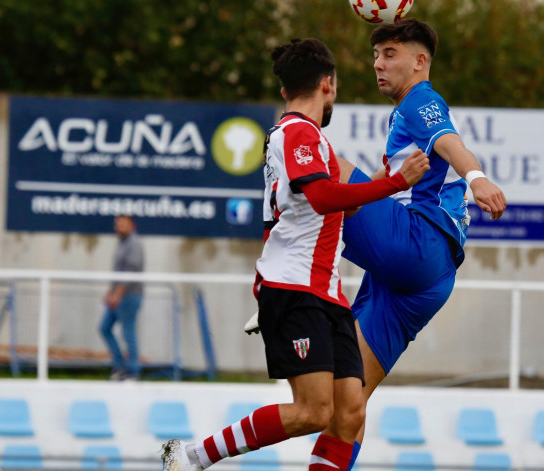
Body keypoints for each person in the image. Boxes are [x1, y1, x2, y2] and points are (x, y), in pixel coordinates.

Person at [161, 38, 429, 471]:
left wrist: (388, 177)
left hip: (325, 293)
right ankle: (192, 455)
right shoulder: (297, 132)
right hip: (294, 288)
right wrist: (396, 184)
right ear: (329, 84)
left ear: (285, 89)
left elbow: (345, 202)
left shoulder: (311, 139)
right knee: (312, 412)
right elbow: (324, 197)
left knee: (349, 412)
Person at [327, 19, 507, 466]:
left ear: (419, 61)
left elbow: (449, 141)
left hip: (414, 242)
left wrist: (477, 177)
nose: (378, 65)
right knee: (345, 400)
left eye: (389, 54)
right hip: (427, 280)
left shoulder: (420, 100)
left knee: (319, 157)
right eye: (375, 56)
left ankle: (287, 274)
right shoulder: (409, 108)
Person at [99, 214, 144, 381]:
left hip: (129, 295)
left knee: (128, 332)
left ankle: (133, 371)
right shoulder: (121, 244)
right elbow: (118, 271)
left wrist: (117, 294)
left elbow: (131, 271)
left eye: (124, 224)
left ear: (132, 226)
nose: (120, 227)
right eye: (117, 224)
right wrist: (109, 292)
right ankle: (119, 365)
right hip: (118, 295)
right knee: (104, 328)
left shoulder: (134, 243)